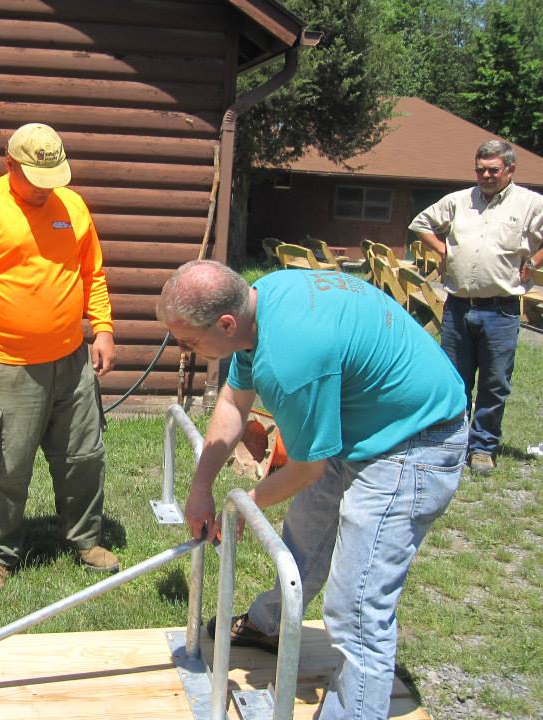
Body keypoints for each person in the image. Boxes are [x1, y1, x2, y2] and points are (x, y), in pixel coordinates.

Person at [157, 260, 466, 720]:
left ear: (225, 323)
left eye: (189, 341)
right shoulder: (259, 303)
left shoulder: (290, 359)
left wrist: (244, 507)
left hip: (414, 440)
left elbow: (306, 470)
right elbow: (233, 402)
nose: (185, 350)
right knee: (304, 535)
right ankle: (269, 625)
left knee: (357, 605)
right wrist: (201, 486)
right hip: (359, 418)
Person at [0, 122, 117, 599]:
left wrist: (102, 327)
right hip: (6, 366)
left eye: (53, 179)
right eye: (36, 180)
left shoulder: (72, 206)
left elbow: (92, 272)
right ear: (9, 164)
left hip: (72, 362)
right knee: (6, 467)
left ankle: (85, 539)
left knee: (83, 456)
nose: (45, 190)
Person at [410, 140, 543, 475]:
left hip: (501, 310)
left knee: (495, 382)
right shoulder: (458, 200)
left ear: (510, 170)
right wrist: (443, 251)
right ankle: (452, 441)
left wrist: (534, 262)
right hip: (458, 306)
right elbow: (420, 223)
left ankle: (483, 447)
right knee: (454, 379)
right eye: (480, 169)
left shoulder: (530, 203)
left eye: (493, 170)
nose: (485, 175)